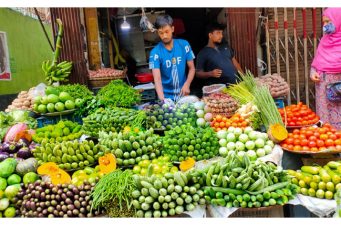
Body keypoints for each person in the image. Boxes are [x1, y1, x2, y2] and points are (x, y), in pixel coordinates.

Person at [149, 14, 196, 102]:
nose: (164, 36)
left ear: (172, 29)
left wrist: (187, 84)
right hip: (166, 96)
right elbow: (157, 79)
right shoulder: (155, 53)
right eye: (161, 33)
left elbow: (192, 68)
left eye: (167, 31)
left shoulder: (184, 45)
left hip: (184, 94)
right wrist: (162, 100)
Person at [310, 8, 341, 129]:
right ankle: (328, 139)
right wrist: (313, 72)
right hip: (323, 83)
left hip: (338, 83)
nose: (325, 25)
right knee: (325, 114)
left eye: (328, 22)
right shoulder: (325, 40)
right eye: (324, 22)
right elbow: (317, 60)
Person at [195, 23, 243, 91]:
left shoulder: (226, 47)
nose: (221, 36)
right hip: (221, 90)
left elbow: (235, 64)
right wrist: (210, 73)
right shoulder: (203, 53)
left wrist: (245, 78)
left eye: (221, 33)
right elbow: (198, 73)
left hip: (237, 85)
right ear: (210, 35)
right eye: (218, 33)